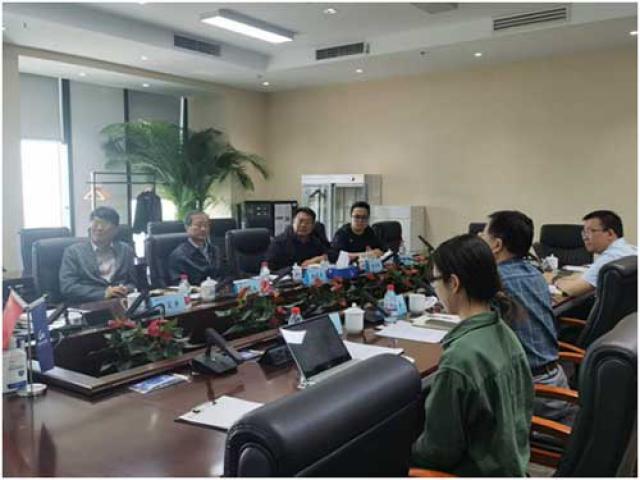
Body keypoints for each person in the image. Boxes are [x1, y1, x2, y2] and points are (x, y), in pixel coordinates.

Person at [412, 234, 533, 476]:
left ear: (453, 283)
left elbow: (438, 452)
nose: (435, 288)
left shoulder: (460, 358)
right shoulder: (504, 330)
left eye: (435, 280)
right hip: (512, 464)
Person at [480, 210, 572, 422]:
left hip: (530, 393)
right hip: (556, 382)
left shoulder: (496, 280)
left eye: (484, 235)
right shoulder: (535, 273)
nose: (480, 240)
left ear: (497, 245)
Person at [547, 210, 636, 297]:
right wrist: (564, 278)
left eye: (591, 231)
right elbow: (587, 277)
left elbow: (572, 289)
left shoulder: (610, 258)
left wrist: (554, 279)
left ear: (610, 233)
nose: (585, 237)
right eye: (584, 232)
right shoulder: (630, 250)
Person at [59, 207, 136, 304]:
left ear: (115, 229)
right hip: (88, 306)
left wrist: (125, 289)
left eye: (104, 224)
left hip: (121, 303)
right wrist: (104, 293)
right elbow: (68, 287)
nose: (99, 228)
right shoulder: (74, 252)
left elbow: (133, 282)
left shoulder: (126, 250)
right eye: (96, 223)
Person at [168, 211, 219, 285]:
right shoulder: (179, 255)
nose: (203, 229)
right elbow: (179, 283)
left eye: (206, 225)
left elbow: (225, 275)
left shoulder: (215, 250)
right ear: (187, 227)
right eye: (198, 225)